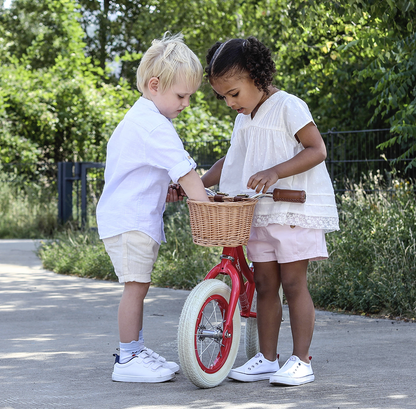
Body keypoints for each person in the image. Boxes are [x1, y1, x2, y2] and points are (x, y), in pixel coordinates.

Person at [201, 37, 339, 386]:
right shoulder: (244, 119)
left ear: (256, 76)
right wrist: (197, 182)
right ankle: (266, 357)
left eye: (234, 93)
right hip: (260, 212)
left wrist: (276, 171)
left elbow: (317, 149)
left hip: (293, 209)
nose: (230, 103)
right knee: (264, 284)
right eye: (224, 97)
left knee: (293, 283)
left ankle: (301, 359)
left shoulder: (288, 106)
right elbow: (230, 161)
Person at [96, 32, 209, 383]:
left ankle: (136, 349)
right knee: (136, 287)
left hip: (131, 217)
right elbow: (186, 170)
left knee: (138, 285)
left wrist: (166, 190)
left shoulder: (144, 119)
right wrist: (205, 205)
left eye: (189, 96)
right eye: (181, 95)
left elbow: (146, 175)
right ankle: (128, 358)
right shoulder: (153, 125)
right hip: (130, 221)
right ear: (155, 85)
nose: (186, 103)